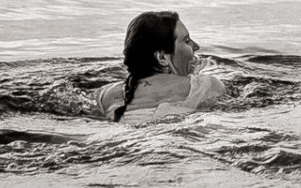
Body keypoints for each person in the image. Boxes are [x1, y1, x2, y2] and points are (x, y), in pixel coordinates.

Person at [94, 10, 227, 122]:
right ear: (162, 58)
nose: (196, 46)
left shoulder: (105, 95)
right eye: (187, 41)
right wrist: (196, 78)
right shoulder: (205, 85)